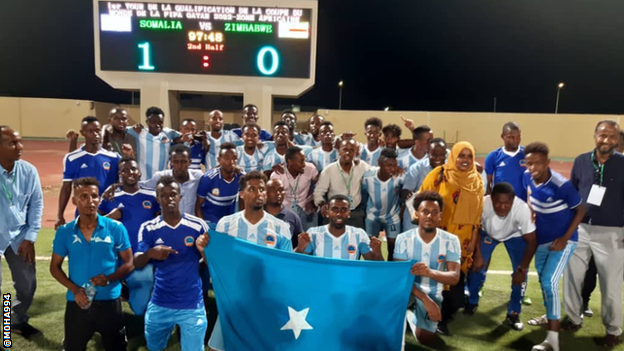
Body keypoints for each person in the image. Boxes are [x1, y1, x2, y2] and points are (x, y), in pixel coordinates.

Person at [200, 171, 292, 351]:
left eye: (262, 189)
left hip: (266, 300)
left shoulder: (281, 228)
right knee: (217, 348)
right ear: (242, 194)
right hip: (235, 299)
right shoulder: (225, 224)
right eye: (252, 189)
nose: (258, 193)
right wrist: (203, 250)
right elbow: (217, 264)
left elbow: (286, 268)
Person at [50, 177, 133, 351]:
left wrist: (109, 279)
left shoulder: (116, 228)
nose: (90, 201)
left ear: (99, 199)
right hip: (77, 302)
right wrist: (75, 290)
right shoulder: (64, 232)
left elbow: (129, 263)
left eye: (94, 196)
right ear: (74, 200)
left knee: (116, 348)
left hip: (109, 301)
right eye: (84, 196)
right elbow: (54, 267)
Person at [562, 120, 624, 348]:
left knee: (611, 285)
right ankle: (573, 318)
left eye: (611, 136)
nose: (606, 140)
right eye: (602, 135)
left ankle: (613, 330)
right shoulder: (580, 161)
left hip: (613, 232)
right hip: (580, 228)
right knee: (572, 277)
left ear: (617, 140)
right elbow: (572, 192)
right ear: (595, 136)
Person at [521, 142, 585, 351]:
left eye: (537, 163)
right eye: (529, 163)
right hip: (542, 240)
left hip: (563, 241)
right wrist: (531, 210)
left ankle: (553, 342)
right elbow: (531, 194)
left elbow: (581, 210)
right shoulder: (526, 177)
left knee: (549, 282)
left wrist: (566, 238)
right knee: (544, 281)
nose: (532, 168)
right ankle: (551, 316)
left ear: (547, 163)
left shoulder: (561, 185)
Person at [134, 176, 208, 351]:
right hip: (160, 303)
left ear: (180, 197)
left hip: (191, 304)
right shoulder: (148, 227)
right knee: (154, 347)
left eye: (173, 194)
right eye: (164, 195)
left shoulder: (198, 226)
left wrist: (202, 250)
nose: (169, 199)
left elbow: (210, 263)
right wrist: (152, 253)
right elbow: (136, 262)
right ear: (157, 199)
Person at [419, 141, 484, 335]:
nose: (465, 160)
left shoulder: (477, 181)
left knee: (455, 290)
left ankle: (443, 314)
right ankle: (433, 317)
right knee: (434, 278)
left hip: (462, 241)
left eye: (469, 156)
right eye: (461, 155)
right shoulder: (439, 175)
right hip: (438, 235)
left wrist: (473, 239)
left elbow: (477, 216)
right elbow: (422, 201)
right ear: (454, 156)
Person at [464, 183, 537, 331]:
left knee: (521, 275)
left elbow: (532, 241)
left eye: (507, 203)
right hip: (488, 233)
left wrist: (522, 269)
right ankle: (472, 301)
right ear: (491, 199)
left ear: (513, 200)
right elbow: (475, 228)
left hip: (515, 236)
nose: (502, 206)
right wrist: (478, 255)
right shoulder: (483, 203)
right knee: (476, 266)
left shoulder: (522, 209)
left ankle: (514, 313)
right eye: (498, 202)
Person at [394, 191, 461, 347]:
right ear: (417, 214)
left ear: (440, 216)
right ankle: (408, 311)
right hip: (407, 290)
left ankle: (412, 315)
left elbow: (454, 277)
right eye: (425, 212)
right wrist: (424, 299)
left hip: (433, 292)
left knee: (425, 339)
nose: (429, 216)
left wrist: (430, 272)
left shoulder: (451, 240)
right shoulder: (403, 239)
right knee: (389, 327)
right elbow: (401, 277)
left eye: (434, 212)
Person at [98, 156, 160, 316]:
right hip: (113, 256)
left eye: (133, 169)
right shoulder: (109, 198)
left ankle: (129, 290)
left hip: (141, 256)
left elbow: (161, 223)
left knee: (140, 310)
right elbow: (90, 223)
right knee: (98, 287)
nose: (130, 173)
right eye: (124, 170)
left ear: (139, 172)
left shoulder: (153, 196)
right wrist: (109, 217)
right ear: (120, 175)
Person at [0, 125, 43, 338]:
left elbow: (37, 205)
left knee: (27, 286)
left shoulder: (28, 171)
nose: (20, 147)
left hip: (20, 237)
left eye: (20, 141)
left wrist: (31, 237)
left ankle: (15, 320)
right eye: (12, 143)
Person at [56, 116, 120, 229]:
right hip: (83, 210)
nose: (95, 134)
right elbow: (66, 188)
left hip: (108, 210)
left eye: (97, 130)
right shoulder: (71, 158)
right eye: (90, 131)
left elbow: (121, 184)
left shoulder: (114, 158)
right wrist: (60, 215)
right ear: (83, 133)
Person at [295, 194, 383, 261]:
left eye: (343, 210)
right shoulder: (313, 234)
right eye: (335, 209)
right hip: (322, 283)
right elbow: (295, 264)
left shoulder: (359, 235)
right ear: (327, 212)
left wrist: (378, 253)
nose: (339, 214)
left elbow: (376, 267)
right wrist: (299, 249)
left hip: (349, 284)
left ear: (349, 214)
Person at [314, 139, 370, 229]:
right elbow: (318, 192)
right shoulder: (329, 170)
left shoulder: (361, 166)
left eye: (352, 150)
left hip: (355, 213)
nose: (348, 152)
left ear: (355, 153)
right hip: (335, 213)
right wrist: (323, 205)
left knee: (356, 241)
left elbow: (377, 172)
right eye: (345, 149)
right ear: (339, 152)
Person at [362, 148, 405, 261]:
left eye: (394, 165)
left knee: (392, 244)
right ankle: (373, 268)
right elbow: (363, 193)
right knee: (372, 244)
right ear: (379, 163)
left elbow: (405, 194)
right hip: (372, 215)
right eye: (388, 165)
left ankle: (390, 267)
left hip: (392, 216)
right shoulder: (368, 176)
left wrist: (402, 211)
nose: (392, 168)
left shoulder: (400, 176)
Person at [141, 144, 203, 215]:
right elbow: (140, 187)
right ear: (171, 162)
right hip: (167, 223)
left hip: (191, 223)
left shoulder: (198, 177)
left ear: (189, 162)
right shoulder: (160, 177)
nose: (179, 166)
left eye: (183, 162)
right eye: (176, 162)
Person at [126, 106, 184, 180]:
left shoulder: (168, 133)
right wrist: (134, 126)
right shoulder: (139, 132)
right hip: (143, 180)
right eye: (153, 122)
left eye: (160, 122)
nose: (157, 125)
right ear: (147, 122)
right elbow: (120, 129)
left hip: (162, 181)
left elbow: (183, 136)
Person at [401, 138, 447, 231]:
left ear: (445, 155)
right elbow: (405, 192)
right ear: (428, 153)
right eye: (434, 154)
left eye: (441, 155)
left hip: (440, 215)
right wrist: (408, 194)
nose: (438, 158)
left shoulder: (450, 170)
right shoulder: (416, 168)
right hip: (418, 213)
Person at [271, 146, 319, 231]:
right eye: (301, 161)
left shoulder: (310, 168)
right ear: (290, 162)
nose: (304, 164)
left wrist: (313, 197)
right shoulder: (278, 174)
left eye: (304, 160)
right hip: (285, 209)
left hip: (305, 208)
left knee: (310, 235)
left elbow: (320, 184)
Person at [196, 143, 244, 226]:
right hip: (210, 222)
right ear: (219, 160)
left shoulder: (241, 177)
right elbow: (198, 206)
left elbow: (242, 201)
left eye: (234, 158)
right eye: (227, 158)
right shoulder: (208, 178)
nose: (231, 162)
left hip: (229, 222)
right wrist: (204, 227)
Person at [484, 122, 526, 199]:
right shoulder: (493, 156)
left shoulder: (527, 154)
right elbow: (488, 183)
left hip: (522, 200)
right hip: (501, 201)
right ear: (502, 136)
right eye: (511, 137)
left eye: (518, 137)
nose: (515, 140)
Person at [265, 179, 303, 248]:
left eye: (281, 190)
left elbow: (297, 247)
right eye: (273, 190)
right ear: (265, 193)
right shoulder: (257, 214)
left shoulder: (293, 217)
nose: (278, 193)